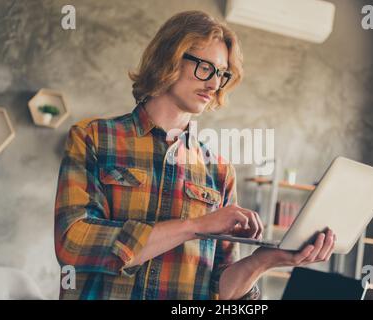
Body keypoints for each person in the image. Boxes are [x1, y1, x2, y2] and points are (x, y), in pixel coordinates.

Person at [54, 10, 335, 300]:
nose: (214, 85)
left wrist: (266, 260)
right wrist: (196, 227)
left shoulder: (220, 172)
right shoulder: (93, 137)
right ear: (168, 58)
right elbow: (73, 244)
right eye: (205, 67)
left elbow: (220, 291)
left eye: (222, 74)